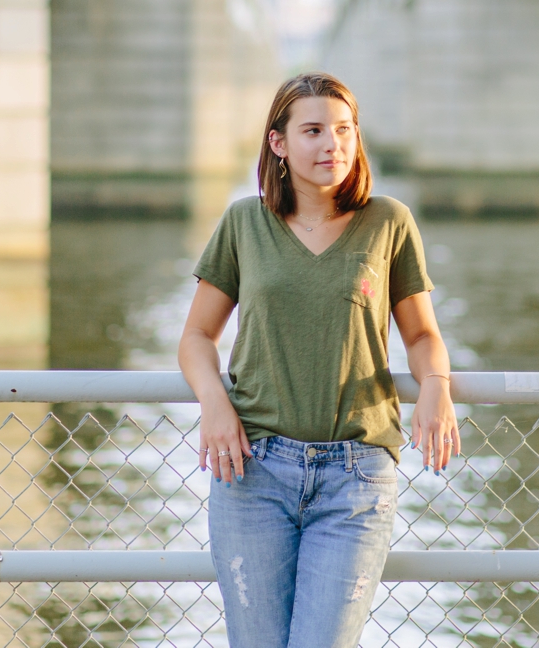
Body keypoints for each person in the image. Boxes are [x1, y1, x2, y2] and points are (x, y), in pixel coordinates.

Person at [177, 72, 459, 648]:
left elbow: (422, 334)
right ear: (278, 143)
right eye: (312, 131)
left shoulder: (389, 222)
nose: (332, 144)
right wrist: (215, 404)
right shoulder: (243, 223)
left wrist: (436, 383)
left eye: (344, 130)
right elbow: (197, 337)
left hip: (355, 477)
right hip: (252, 469)